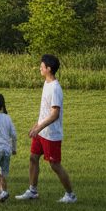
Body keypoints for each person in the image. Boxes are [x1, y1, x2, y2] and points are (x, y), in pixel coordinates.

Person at [16, 54, 77, 203]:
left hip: (51, 134)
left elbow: (55, 114)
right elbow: (44, 110)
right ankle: (32, 191)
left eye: (42, 66)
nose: (40, 68)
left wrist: (39, 127)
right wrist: (37, 126)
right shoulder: (46, 83)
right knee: (33, 158)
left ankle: (70, 195)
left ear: (49, 69)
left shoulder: (55, 88)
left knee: (54, 165)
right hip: (41, 131)